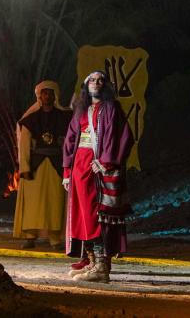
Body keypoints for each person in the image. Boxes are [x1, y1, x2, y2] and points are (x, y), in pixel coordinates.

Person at [62, 71, 134, 283]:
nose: (96, 83)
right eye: (92, 80)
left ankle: (102, 267)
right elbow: (70, 139)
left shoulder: (111, 108)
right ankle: (92, 262)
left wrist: (105, 162)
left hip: (98, 169)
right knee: (83, 216)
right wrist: (67, 172)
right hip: (79, 168)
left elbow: (122, 137)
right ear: (86, 86)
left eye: (100, 80)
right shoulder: (81, 109)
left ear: (106, 85)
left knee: (97, 216)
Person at [13, 80, 68, 250]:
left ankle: (55, 239)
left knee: (55, 202)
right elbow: (24, 145)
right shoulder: (31, 120)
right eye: (44, 93)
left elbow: (70, 142)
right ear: (39, 96)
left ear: (55, 96)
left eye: (50, 93)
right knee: (33, 203)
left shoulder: (64, 118)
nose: (47, 96)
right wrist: (24, 168)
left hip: (56, 166)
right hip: (35, 166)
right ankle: (30, 237)